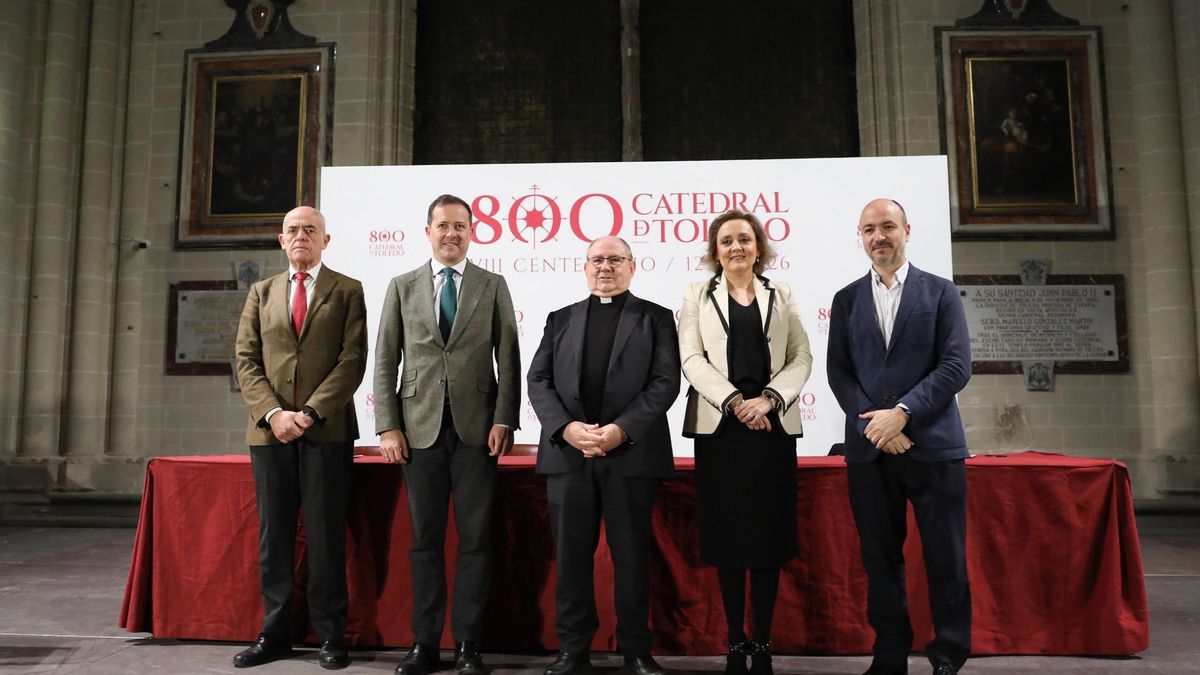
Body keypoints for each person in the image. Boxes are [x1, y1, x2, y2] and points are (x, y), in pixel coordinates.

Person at [373, 194, 521, 675]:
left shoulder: (493, 284)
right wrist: (388, 425)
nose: (451, 233)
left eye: (460, 225)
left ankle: (469, 646)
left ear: (473, 231)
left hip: (478, 432)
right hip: (418, 430)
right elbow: (384, 360)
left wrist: (505, 418)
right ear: (428, 231)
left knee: (476, 540)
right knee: (425, 541)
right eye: (443, 225)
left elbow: (510, 359)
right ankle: (424, 644)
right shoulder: (401, 286)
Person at [826, 198, 972, 675]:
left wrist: (903, 414)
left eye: (887, 226)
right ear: (861, 236)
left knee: (945, 558)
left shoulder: (941, 293)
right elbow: (840, 374)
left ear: (906, 230)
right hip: (871, 451)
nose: (879, 237)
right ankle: (889, 656)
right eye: (869, 229)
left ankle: (949, 654)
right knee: (880, 560)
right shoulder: (846, 299)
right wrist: (876, 426)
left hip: (932, 446)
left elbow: (956, 366)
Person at [527, 237, 681, 675]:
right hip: (569, 456)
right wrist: (567, 429)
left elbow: (665, 382)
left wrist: (620, 431)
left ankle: (635, 649)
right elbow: (538, 380)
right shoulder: (560, 319)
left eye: (615, 259)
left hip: (630, 457)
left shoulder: (656, 318)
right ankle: (573, 650)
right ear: (585, 267)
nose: (605, 267)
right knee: (572, 558)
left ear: (633, 266)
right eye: (597, 260)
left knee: (631, 557)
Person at [678, 209, 812, 675]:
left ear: (759, 247)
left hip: (772, 430)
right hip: (722, 432)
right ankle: (736, 642)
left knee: (769, 540)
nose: (736, 247)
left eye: (745, 239)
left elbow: (801, 355)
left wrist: (769, 400)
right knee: (730, 539)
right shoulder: (697, 293)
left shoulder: (782, 292)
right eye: (727, 241)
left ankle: (764, 643)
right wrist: (736, 401)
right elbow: (691, 359)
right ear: (715, 250)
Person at [233, 205, 368, 670]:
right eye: (293, 230)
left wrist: (309, 413)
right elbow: (246, 359)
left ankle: (332, 636)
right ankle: (275, 634)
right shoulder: (261, 292)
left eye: (310, 230)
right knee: (275, 540)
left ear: (325, 241)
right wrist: (274, 414)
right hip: (270, 434)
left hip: (326, 431)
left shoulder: (348, 290)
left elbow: (352, 361)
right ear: (281, 240)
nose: (301, 237)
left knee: (328, 536)